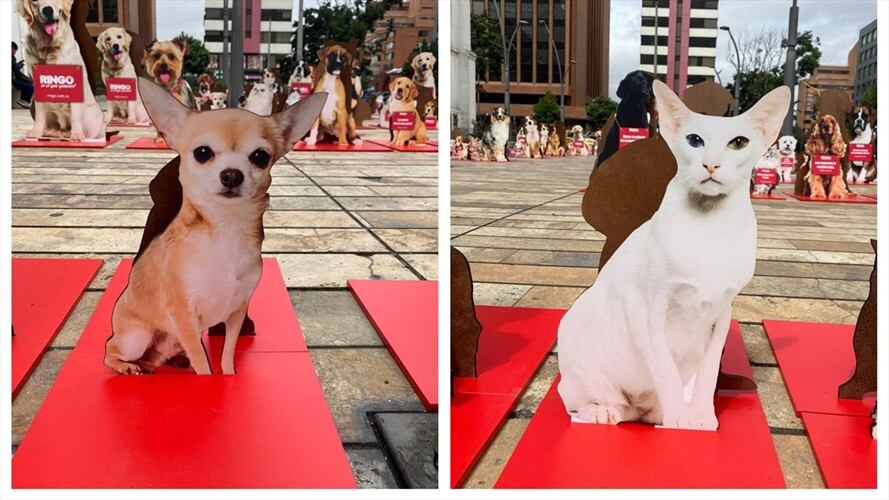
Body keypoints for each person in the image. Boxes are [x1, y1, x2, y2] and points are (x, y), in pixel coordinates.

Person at [12, 42, 33, 108]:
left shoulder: (12, 57)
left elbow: (13, 66)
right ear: (12, 48)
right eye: (15, 51)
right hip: (13, 79)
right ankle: (23, 100)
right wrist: (20, 65)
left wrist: (18, 64)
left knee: (30, 84)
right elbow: (15, 67)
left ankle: (25, 101)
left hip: (14, 78)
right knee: (29, 86)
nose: (15, 53)